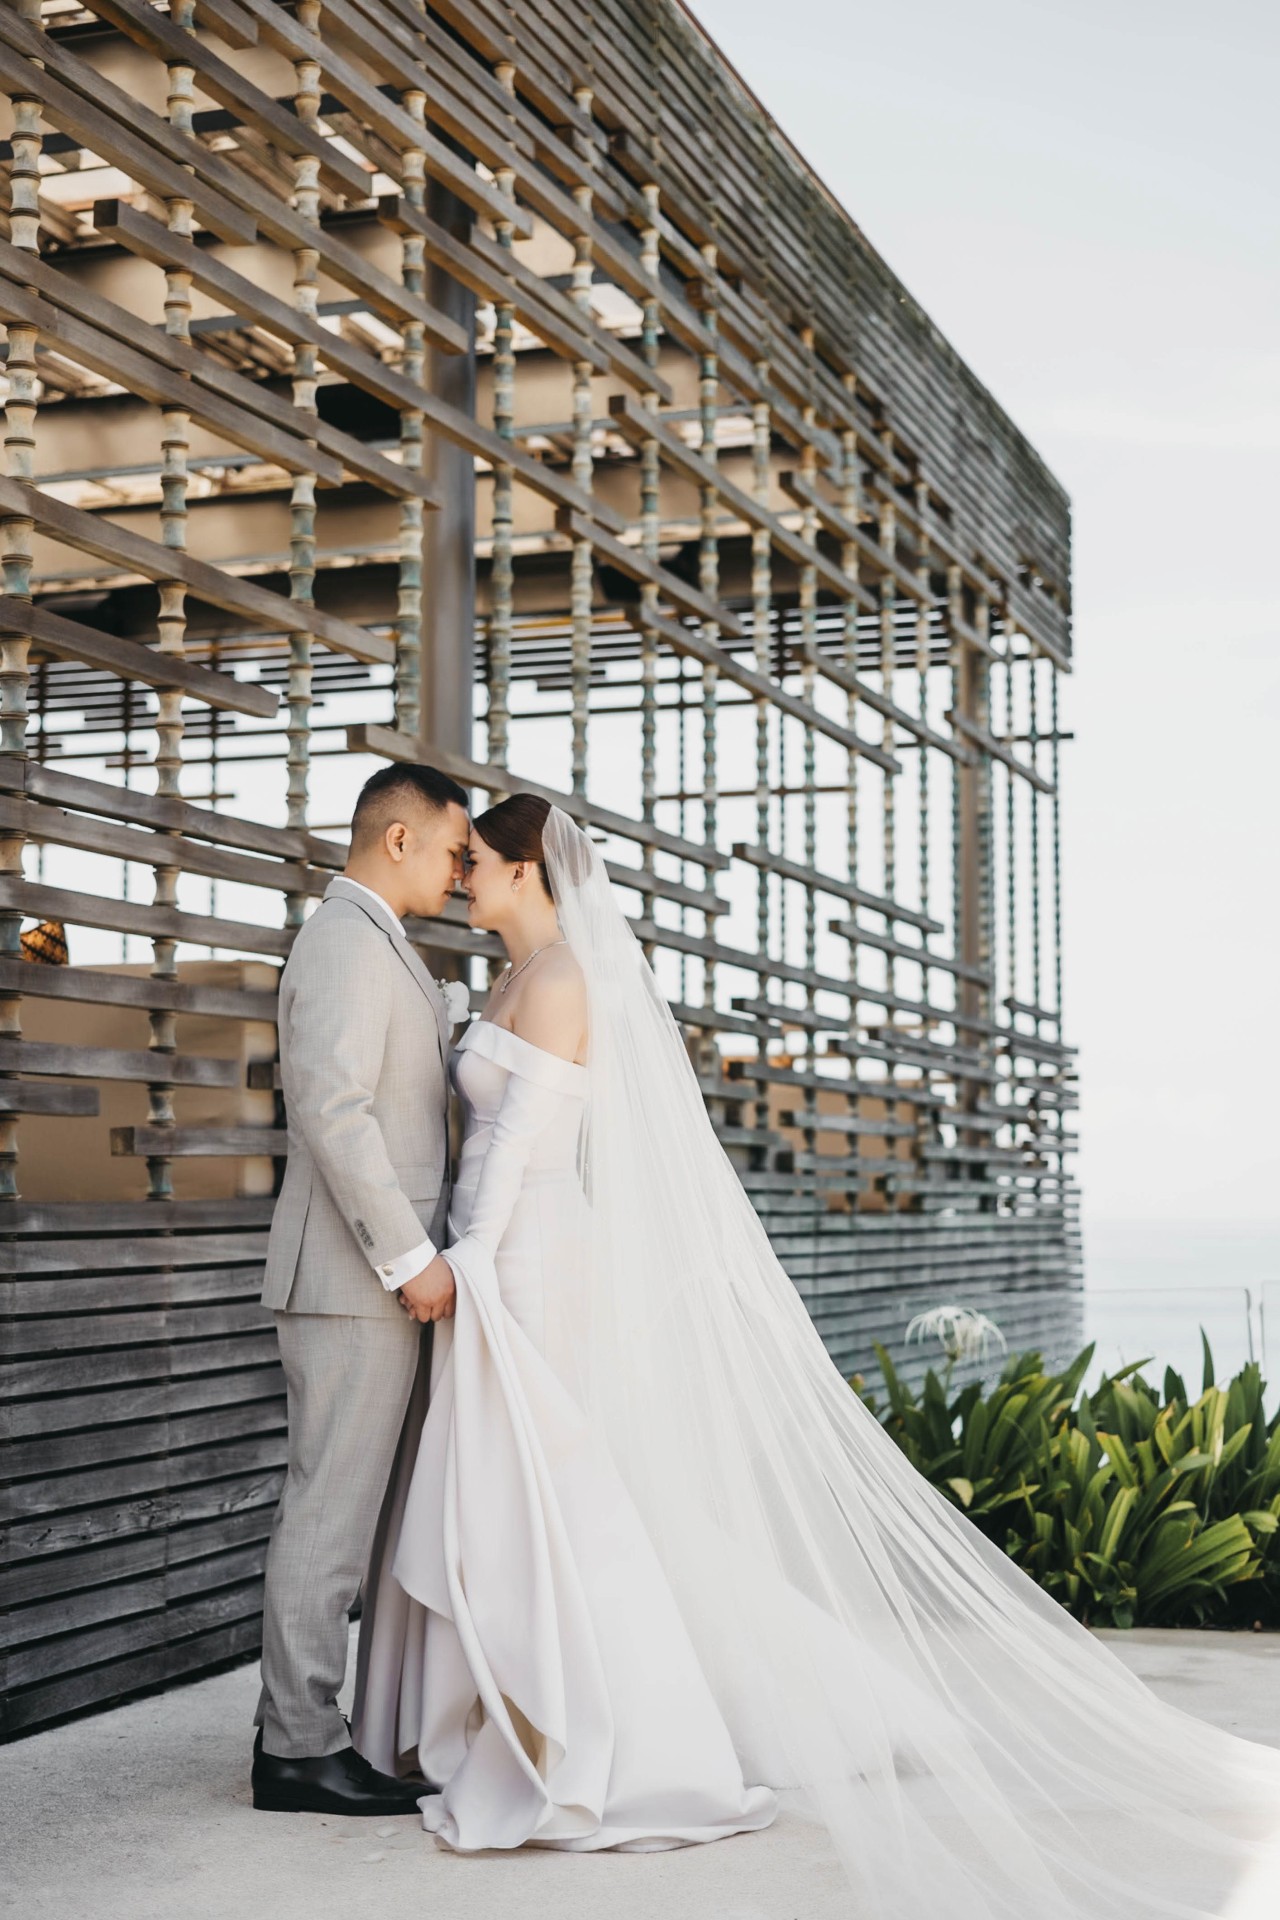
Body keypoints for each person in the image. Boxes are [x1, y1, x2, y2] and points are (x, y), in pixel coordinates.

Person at [355, 795, 1280, 1914]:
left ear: (524, 871)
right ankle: (504, 1703)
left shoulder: (560, 981)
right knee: (535, 1489)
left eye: (476, 860)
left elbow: (513, 1145)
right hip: (494, 1255)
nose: (461, 874)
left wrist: (467, 1262)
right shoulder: (513, 975)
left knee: (556, 1494)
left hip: (530, 1260)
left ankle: (583, 1728)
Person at [251, 763, 470, 1817]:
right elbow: (333, 1111)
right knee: (326, 1515)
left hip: (364, 1281)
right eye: (453, 850)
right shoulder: (344, 939)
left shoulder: (380, 943)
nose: (460, 871)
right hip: (352, 1282)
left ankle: (305, 1729)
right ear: (398, 839)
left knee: (342, 1514)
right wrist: (408, 1257)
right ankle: (296, 1750)